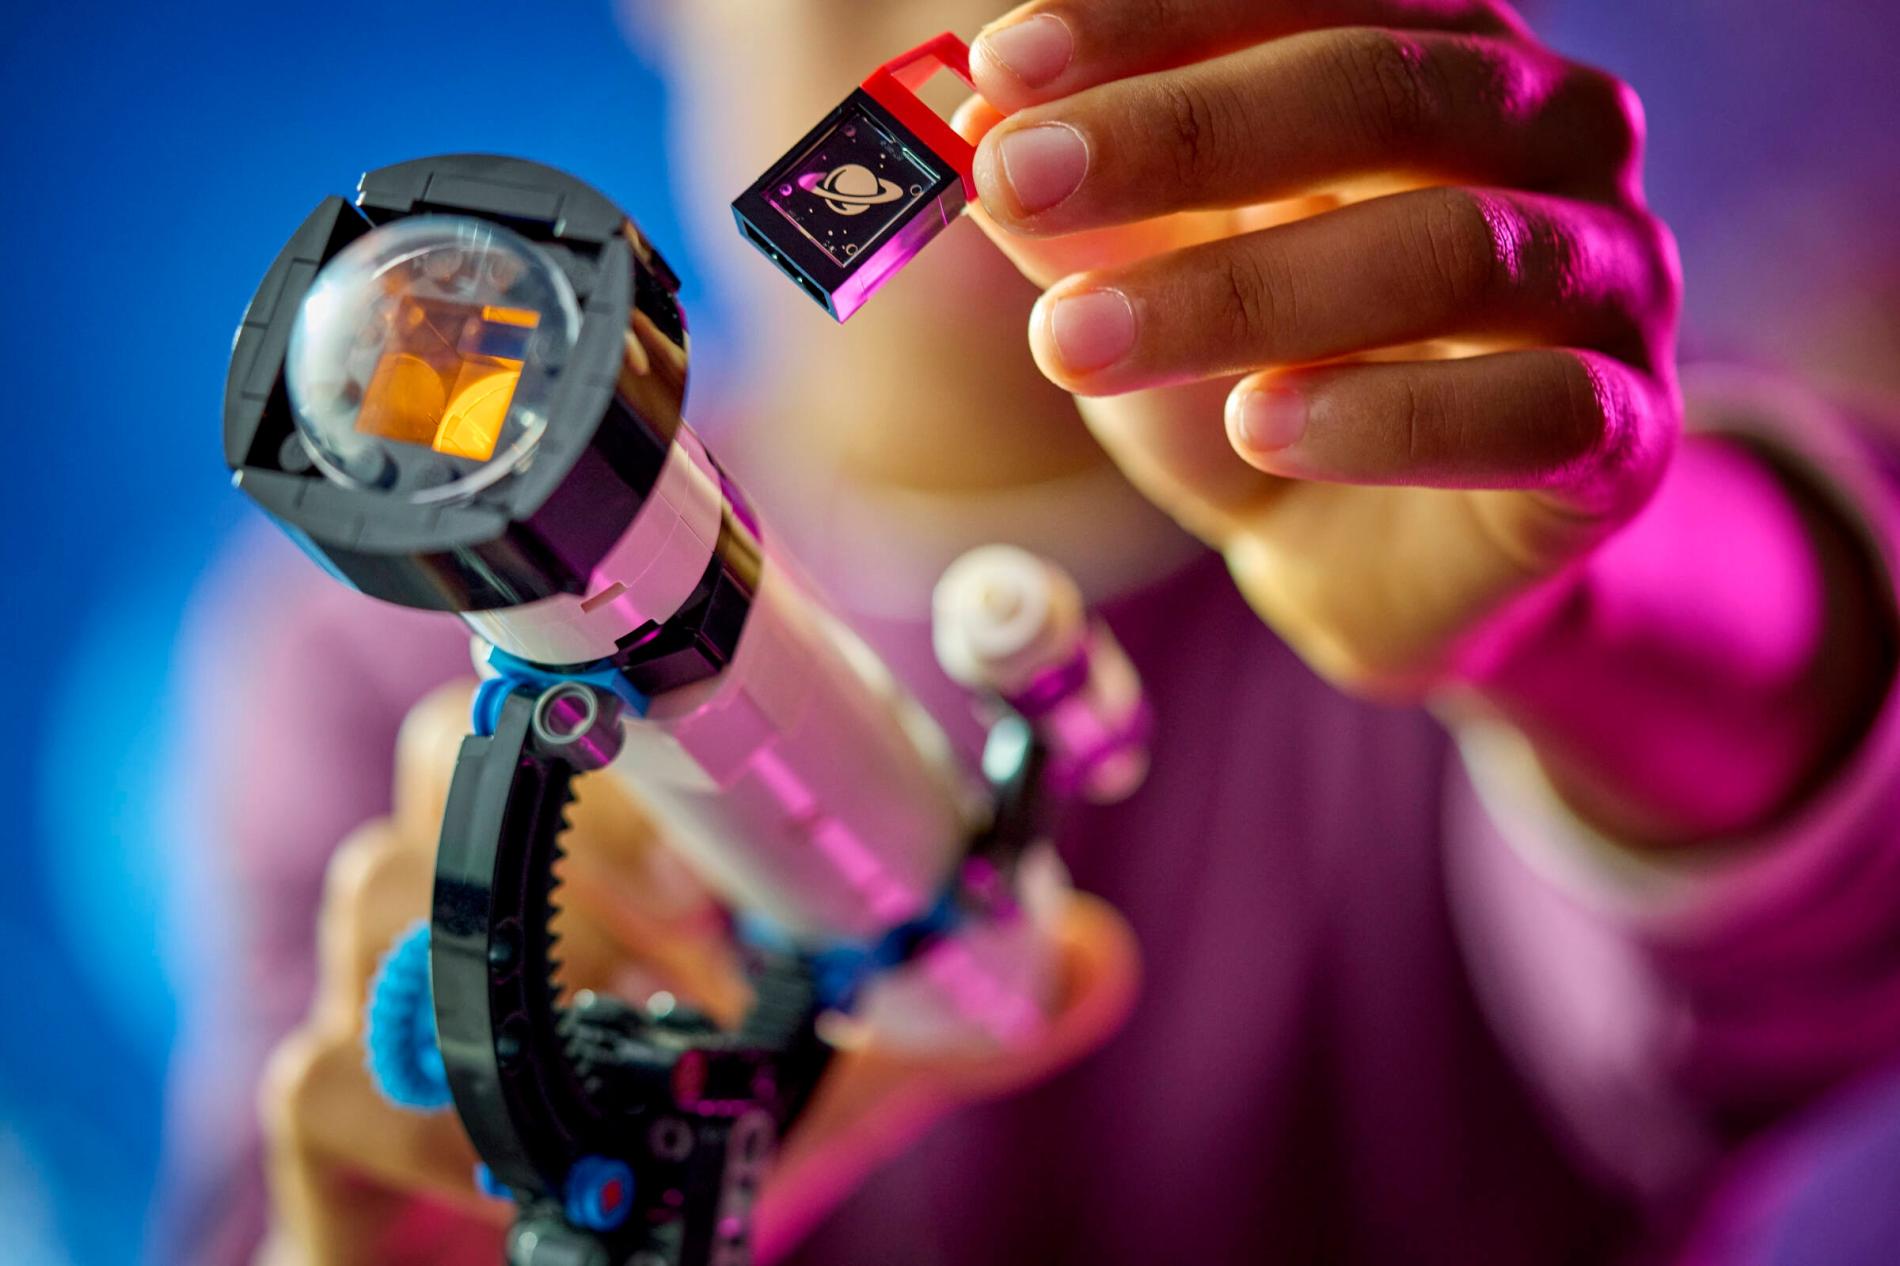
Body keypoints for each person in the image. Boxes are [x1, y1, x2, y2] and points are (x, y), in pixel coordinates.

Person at [164, 1, 1900, 1262]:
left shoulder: (1473, 479)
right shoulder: (371, 667)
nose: (985, 21)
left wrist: (1586, 588)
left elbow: (1793, 789)